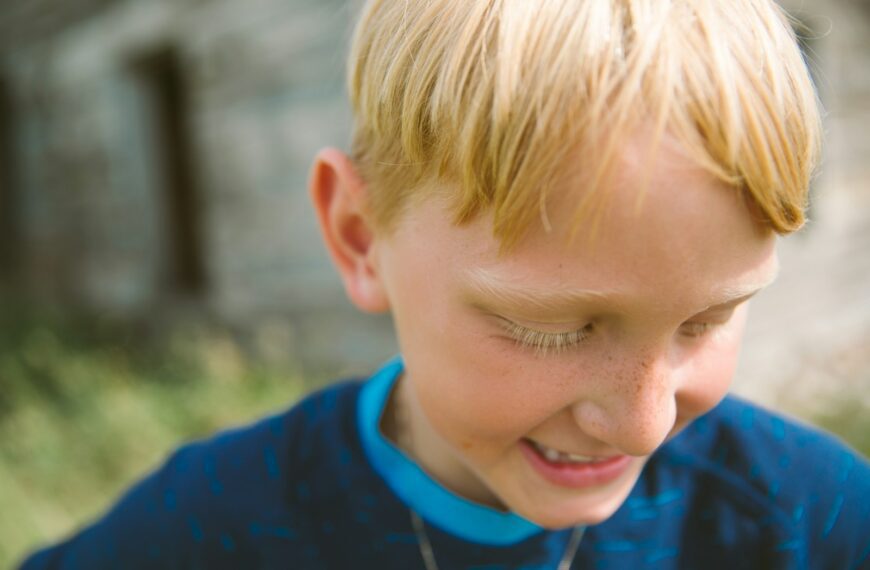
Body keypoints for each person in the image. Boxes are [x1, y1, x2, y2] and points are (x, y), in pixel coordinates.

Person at [20, 0, 869, 568]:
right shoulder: (212, 526)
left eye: (709, 319)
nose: (644, 423)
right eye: (553, 329)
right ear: (360, 238)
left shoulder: (812, 521)